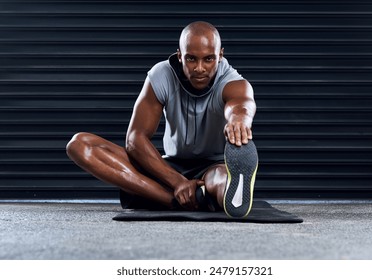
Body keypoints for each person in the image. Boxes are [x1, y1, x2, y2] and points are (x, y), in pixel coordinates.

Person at [66, 21, 258, 218]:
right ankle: (182, 200)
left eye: (208, 59)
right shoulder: (161, 74)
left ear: (220, 56)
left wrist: (239, 121)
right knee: (80, 145)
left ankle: (225, 192)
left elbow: (241, 105)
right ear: (179, 56)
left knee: (221, 177)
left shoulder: (233, 82)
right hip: (169, 167)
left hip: (212, 166)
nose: (200, 68)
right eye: (191, 59)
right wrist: (178, 182)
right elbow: (135, 139)